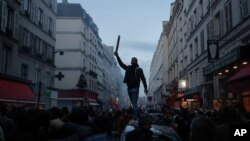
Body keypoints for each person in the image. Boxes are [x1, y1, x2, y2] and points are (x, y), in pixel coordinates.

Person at [114, 52, 148, 120]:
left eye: (133, 61)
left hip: (130, 88)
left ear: (131, 62)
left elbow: (121, 64)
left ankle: (135, 117)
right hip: (134, 88)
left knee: (134, 104)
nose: (133, 62)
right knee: (134, 103)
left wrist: (117, 57)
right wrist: (145, 88)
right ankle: (136, 117)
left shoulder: (128, 68)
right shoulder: (139, 69)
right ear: (136, 62)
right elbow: (143, 79)